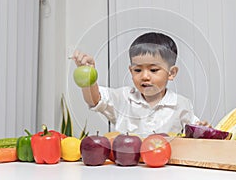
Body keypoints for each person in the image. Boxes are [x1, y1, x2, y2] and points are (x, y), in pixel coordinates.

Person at [72, 32, 206, 137]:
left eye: (153, 70)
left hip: (166, 168)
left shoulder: (181, 105)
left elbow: (195, 132)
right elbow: (94, 100)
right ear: (131, 71)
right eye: (137, 70)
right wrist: (88, 75)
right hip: (128, 167)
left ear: (171, 73)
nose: (145, 76)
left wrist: (204, 130)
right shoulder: (123, 98)